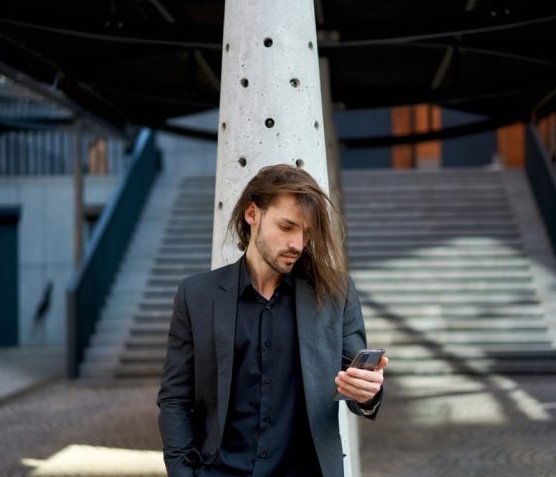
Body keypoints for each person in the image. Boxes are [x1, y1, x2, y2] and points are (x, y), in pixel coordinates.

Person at [157, 164, 387, 477]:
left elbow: (356, 387)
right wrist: (183, 472)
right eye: (287, 226)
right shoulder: (196, 295)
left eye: (306, 232)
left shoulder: (336, 292)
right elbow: (175, 398)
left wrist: (367, 392)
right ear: (253, 214)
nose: (298, 243)